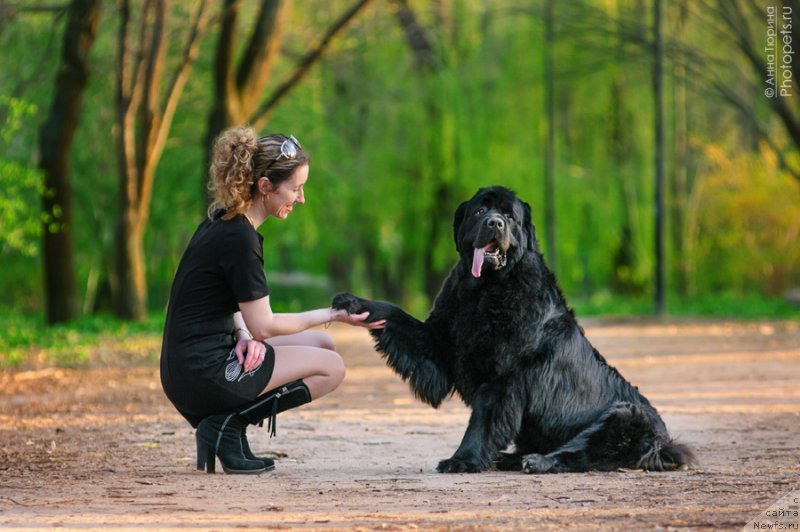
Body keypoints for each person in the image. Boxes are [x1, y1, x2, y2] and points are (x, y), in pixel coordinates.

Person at [160, 126, 384, 475]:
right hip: (202, 373)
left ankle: (222, 424)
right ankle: (225, 425)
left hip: (191, 365)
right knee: (332, 368)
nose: (302, 198)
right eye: (295, 189)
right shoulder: (239, 239)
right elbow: (265, 325)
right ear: (265, 186)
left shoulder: (224, 221)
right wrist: (333, 313)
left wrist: (243, 336)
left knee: (323, 344)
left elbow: (227, 306)